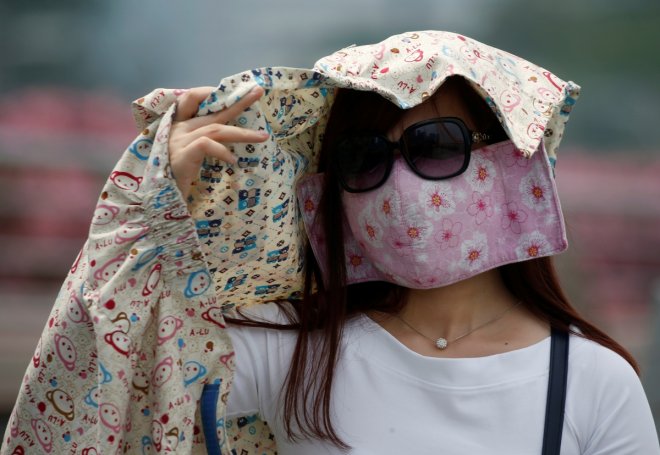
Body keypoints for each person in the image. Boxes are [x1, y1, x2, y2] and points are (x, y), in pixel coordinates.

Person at [2, 30, 658, 455]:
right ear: (329, 193)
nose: (399, 184)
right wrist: (148, 204)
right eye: (365, 158)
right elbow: (109, 382)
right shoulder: (295, 351)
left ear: (511, 162)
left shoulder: (594, 383)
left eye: (434, 146)